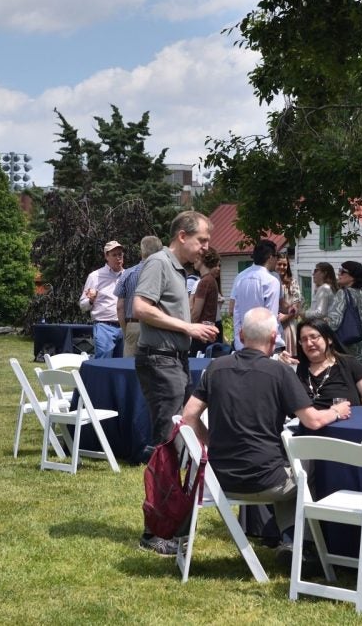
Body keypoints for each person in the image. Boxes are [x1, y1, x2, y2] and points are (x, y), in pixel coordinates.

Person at [179, 309, 351, 550]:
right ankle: (305, 543)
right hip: (267, 481)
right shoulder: (279, 371)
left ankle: (291, 541)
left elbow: (188, 416)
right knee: (305, 465)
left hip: (221, 479)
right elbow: (312, 421)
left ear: (240, 334)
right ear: (273, 337)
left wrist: (211, 441)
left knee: (287, 466)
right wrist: (337, 411)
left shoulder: (216, 368)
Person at [133, 211, 220, 555]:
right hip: (160, 360)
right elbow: (140, 307)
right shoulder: (158, 263)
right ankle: (154, 534)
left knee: (184, 439)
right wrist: (189, 328)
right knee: (167, 447)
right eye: (202, 240)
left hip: (175, 361)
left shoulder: (179, 270)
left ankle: (175, 522)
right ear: (182, 236)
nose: (206, 247)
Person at [286, 316, 362, 410]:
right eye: (304, 340)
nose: (309, 343)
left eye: (314, 337)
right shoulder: (295, 367)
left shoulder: (348, 364)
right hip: (303, 427)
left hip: (344, 425)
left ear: (329, 339)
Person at [114, 236, 165, 358]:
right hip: (158, 325)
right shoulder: (165, 273)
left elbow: (120, 307)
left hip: (134, 325)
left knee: (130, 367)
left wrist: (126, 330)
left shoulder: (128, 274)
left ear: (142, 251)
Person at [231, 240, 285, 354]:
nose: (277, 260)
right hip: (266, 346)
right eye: (276, 256)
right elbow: (271, 317)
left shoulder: (241, 278)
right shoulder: (271, 281)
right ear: (270, 257)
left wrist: (238, 342)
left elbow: (236, 314)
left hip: (244, 343)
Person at [79, 240, 127, 359]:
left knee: (123, 366)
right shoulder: (95, 276)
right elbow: (82, 306)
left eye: (120, 254)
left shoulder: (128, 275)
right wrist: (91, 300)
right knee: (104, 364)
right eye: (114, 255)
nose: (118, 258)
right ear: (106, 256)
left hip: (125, 327)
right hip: (104, 327)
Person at [323, 261, 362, 366]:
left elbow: (333, 323)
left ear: (353, 277)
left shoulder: (343, 293)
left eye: (342, 272)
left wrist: (323, 321)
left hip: (349, 347)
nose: (339, 274)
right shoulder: (360, 293)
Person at [190, 247, 222, 331]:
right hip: (209, 329)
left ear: (202, 260)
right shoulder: (211, 280)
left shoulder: (204, 282)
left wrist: (188, 329)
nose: (194, 260)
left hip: (202, 331)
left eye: (197, 257)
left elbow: (196, 313)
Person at [276, 257, 303, 338]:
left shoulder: (292, 282)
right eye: (279, 264)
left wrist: (284, 318)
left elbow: (296, 304)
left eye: (285, 265)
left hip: (287, 323)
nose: (282, 267)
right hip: (271, 323)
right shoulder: (269, 281)